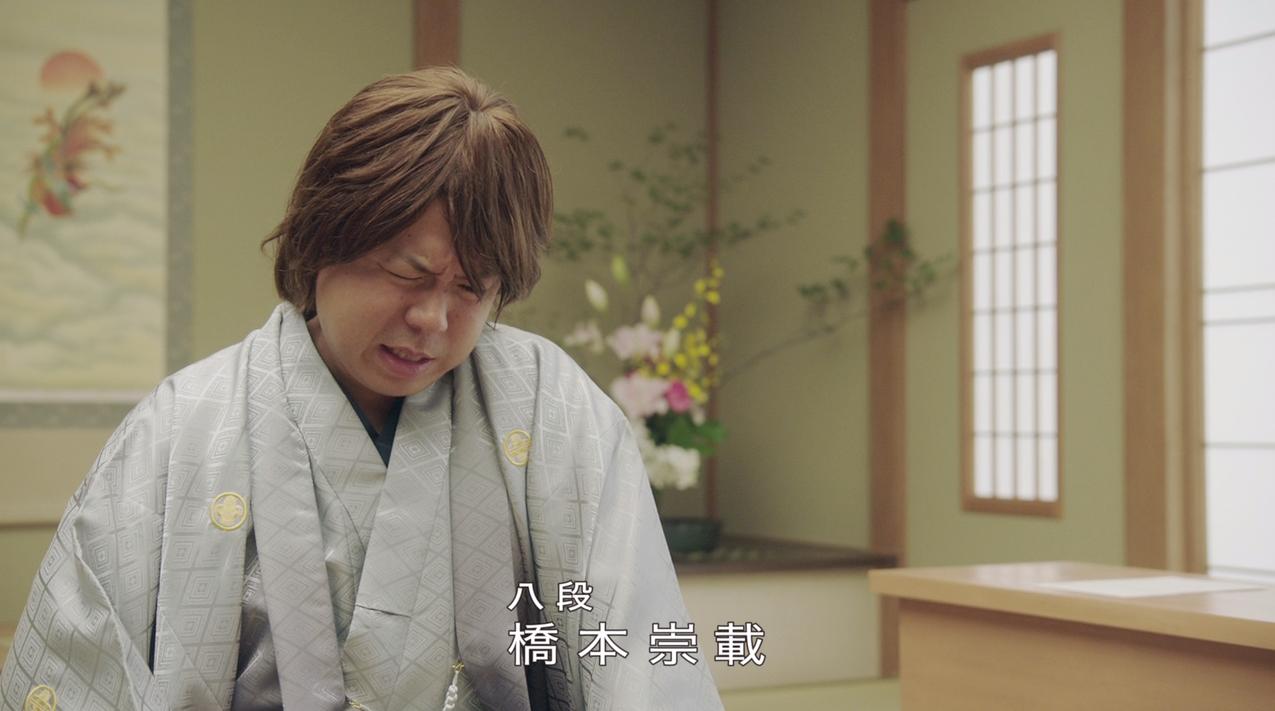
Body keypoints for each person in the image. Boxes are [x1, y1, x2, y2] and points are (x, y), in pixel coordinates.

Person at [1, 67, 723, 711]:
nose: (433, 319)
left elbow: (633, 648)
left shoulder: (550, 407)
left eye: (471, 287)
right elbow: (82, 667)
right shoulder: (184, 426)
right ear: (324, 239)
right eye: (407, 272)